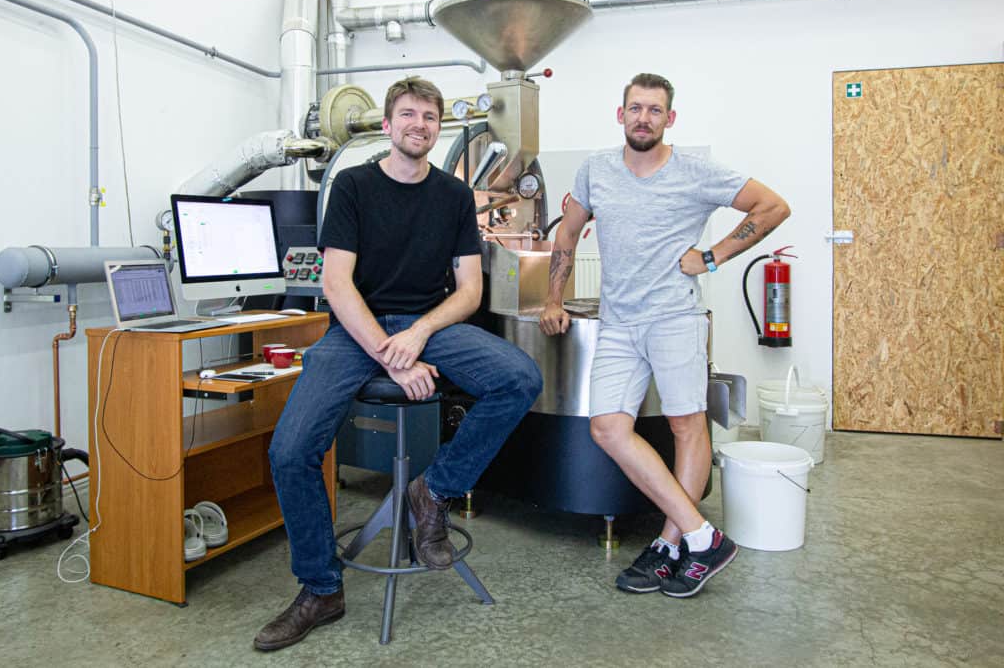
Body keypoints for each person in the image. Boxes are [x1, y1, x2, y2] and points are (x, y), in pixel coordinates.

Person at [255, 77, 543, 651]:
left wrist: (418, 332)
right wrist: (391, 354)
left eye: (430, 116)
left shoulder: (454, 196)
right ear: (386, 126)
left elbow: (467, 291)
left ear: (439, 129)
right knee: (289, 452)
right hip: (356, 329)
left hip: (426, 326)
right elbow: (336, 284)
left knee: (520, 378)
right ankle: (321, 589)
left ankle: (432, 492)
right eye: (408, 114)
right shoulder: (355, 186)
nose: (419, 124)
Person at [539, 72, 790, 598]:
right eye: (636, 108)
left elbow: (772, 207)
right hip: (619, 323)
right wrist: (553, 297)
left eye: (655, 110)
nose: (644, 118)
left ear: (669, 119)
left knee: (686, 427)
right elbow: (567, 231)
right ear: (620, 114)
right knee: (607, 428)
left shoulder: (696, 172)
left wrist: (713, 257)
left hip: (675, 318)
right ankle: (704, 536)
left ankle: (673, 543)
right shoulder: (596, 170)